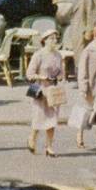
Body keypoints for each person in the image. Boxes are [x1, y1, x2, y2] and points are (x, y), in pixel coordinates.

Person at [25, 28, 65, 157]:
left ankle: (49, 147)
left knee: (52, 119)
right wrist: (42, 77)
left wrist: (59, 76)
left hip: (53, 90)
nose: (54, 40)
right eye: (51, 38)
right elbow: (29, 74)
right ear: (44, 40)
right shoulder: (38, 55)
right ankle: (32, 138)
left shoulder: (58, 55)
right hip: (41, 90)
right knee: (39, 117)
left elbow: (62, 72)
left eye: (55, 38)